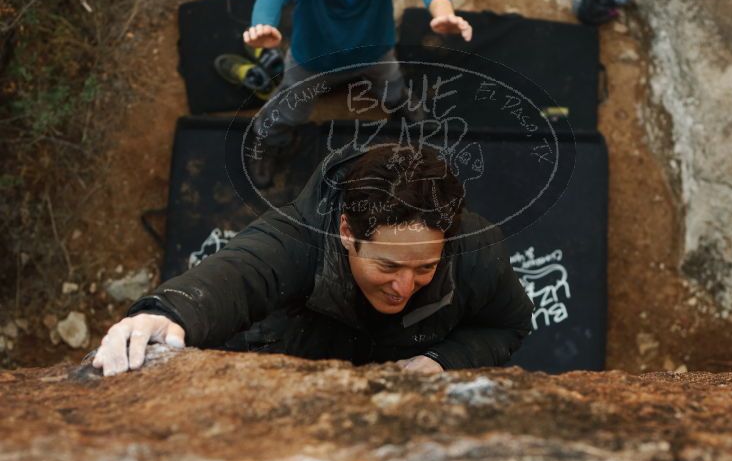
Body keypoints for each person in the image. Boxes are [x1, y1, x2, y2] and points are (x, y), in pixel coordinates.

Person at [92, 144, 533, 376]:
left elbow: (508, 324)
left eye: (424, 268)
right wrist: (163, 313)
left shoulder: (477, 251)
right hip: (294, 359)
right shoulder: (303, 234)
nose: (403, 287)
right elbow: (242, 272)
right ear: (346, 232)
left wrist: (444, 360)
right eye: (388, 266)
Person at [220, 0, 474, 186]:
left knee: (392, 85)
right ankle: (271, 138)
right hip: (313, 59)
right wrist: (262, 24)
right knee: (290, 109)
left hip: (374, 51)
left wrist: (443, 11)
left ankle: (399, 101)